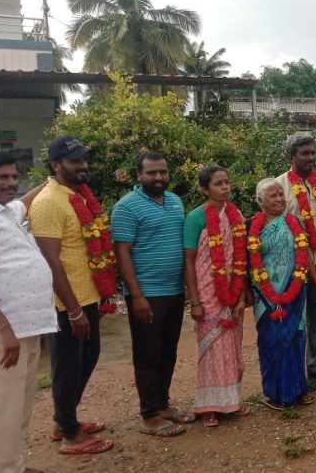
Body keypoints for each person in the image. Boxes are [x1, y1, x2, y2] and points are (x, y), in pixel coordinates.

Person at [0, 152, 56, 473]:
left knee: (17, 410)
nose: (12, 183)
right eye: (1, 177)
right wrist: (3, 329)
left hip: (26, 329)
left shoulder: (3, 210)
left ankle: (13, 466)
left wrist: (51, 181)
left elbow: (24, 204)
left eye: (15, 177)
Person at [29, 136, 114, 454]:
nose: (83, 165)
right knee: (67, 367)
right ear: (56, 164)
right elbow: (49, 261)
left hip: (87, 295)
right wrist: (74, 310)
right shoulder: (49, 202)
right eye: (75, 161)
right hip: (66, 304)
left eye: (83, 159)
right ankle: (69, 435)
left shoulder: (75, 195)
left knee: (86, 360)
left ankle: (64, 420)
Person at [111, 151, 195, 436]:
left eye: (163, 172)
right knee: (147, 355)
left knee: (167, 352)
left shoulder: (175, 201)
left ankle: (163, 405)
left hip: (173, 292)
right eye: (152, 173)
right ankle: (149, 415)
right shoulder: (126, 207)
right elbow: (122, 254)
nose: (158, 177)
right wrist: (136, 296)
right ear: (139, 175)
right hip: (147, 294)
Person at [251, 178, 316, 409]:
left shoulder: (293, 222)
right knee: (272, 341)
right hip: (265, 296)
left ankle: (299, 388)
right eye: (272, 195)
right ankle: (275, 393)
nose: (279, 199)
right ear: (260, 201)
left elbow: (304, 255)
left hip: (295, 292)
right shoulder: (252, 226)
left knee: (296, 338)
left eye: (280, 194)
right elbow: (247, 263)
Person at [184, 166, 251, 426]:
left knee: (232, 347)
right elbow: (189, 262)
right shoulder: (196, 218)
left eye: (227, 182)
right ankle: (209, 407)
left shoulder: (235, 215)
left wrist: (242, 294)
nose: (225, 187)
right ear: (204, 189)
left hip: (233, 290)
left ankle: (231, 401)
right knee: (211, 348)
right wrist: (196, 301)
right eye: (218, 183)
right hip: (207, 292)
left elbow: (241, 257)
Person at [275, 133, 316, 387]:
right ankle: (293, 370)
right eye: (304, 153)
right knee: (294, 318)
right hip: (292, 265)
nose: (311, 157)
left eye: (312, 152)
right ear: (291, 157)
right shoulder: (277, 187)